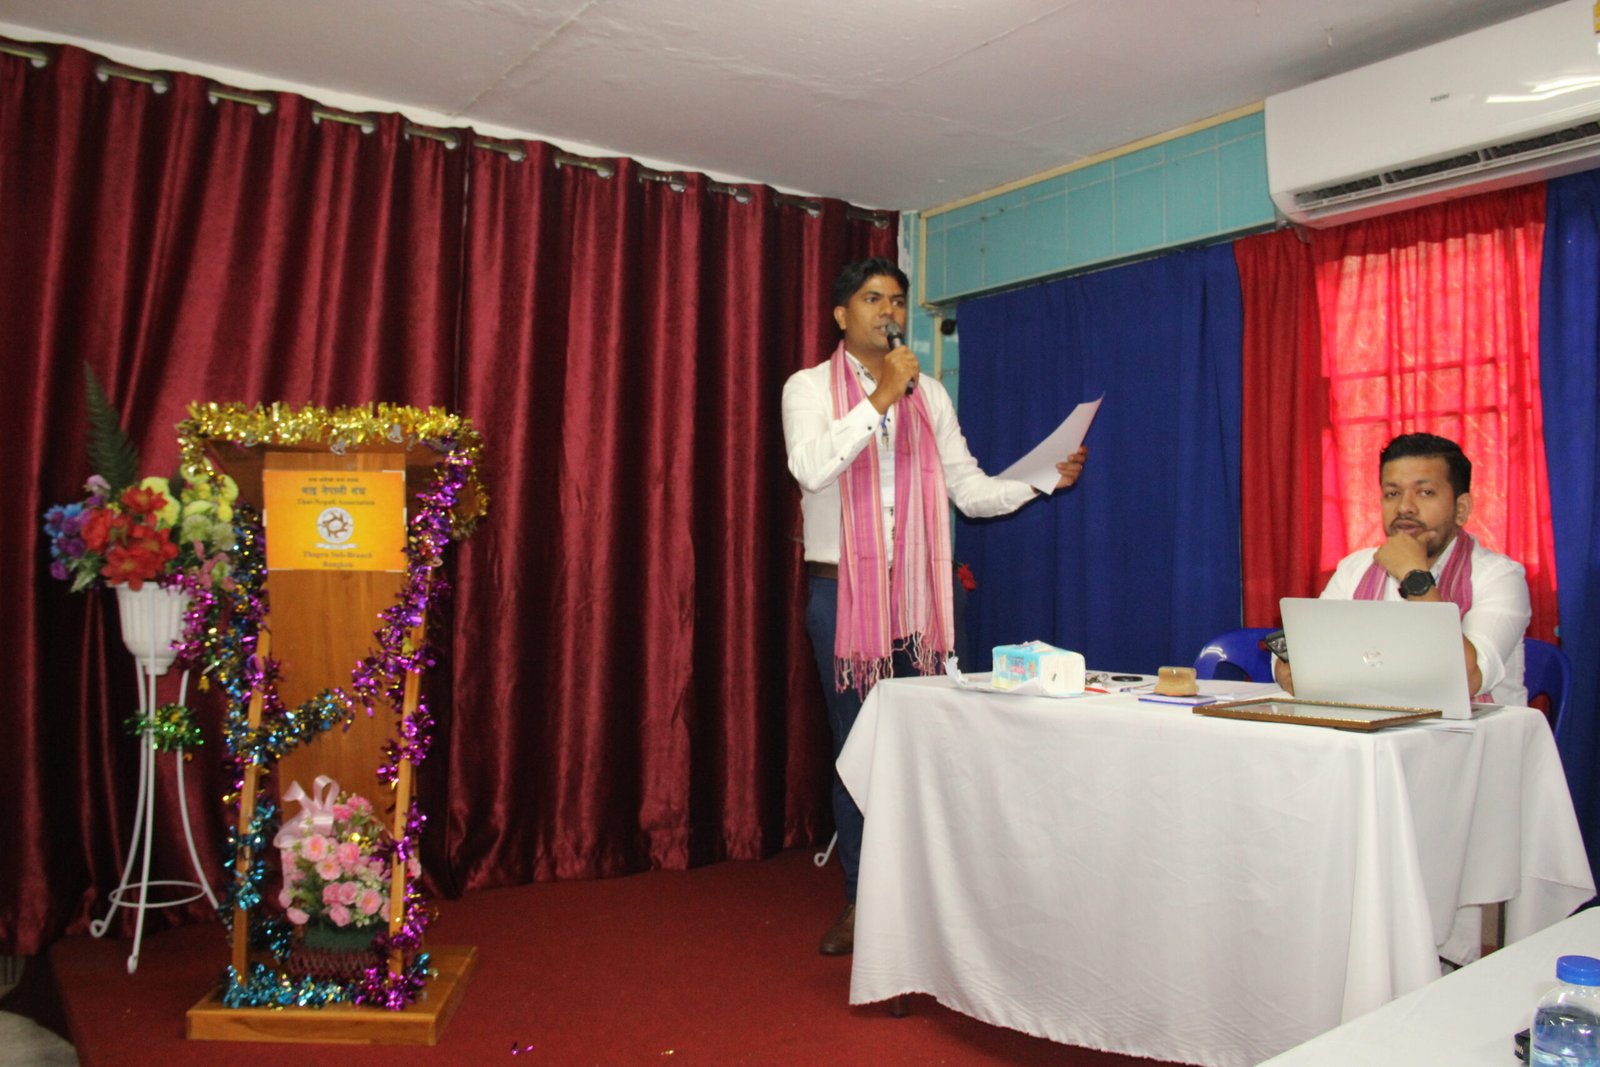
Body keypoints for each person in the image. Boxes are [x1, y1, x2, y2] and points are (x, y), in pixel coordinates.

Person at [781, 257, 1087, 955]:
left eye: (896, 300)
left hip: (922, 596)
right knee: (859, 748)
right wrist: (880, 399)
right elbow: (811, 467)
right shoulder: (809, 388)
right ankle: (862, 901)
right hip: (844, 594)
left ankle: (929, 898)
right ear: (841, 315)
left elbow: (969, 491)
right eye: (872, 299)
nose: (889, 312)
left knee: (928, 746)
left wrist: (1040, 479)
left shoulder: (932, 394)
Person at [1274, 432, 1530, 705]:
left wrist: (1414, 576)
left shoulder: (1500, 577)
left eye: (1425, 492)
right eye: (1392, 493)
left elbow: (1466, 679)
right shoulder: (1355, 568)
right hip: (1371, 723)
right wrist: (1287, 668)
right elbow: (1301, 646)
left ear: (1461, 508)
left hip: (1475, 730)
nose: (1404, 507)